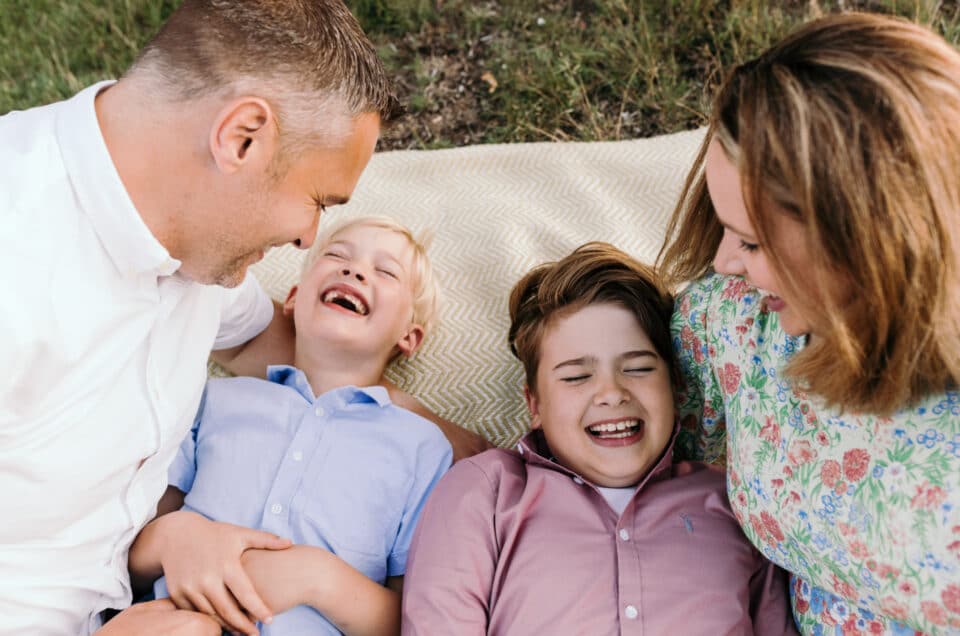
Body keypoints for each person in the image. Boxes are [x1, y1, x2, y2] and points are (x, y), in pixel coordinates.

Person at [0, 2, 486, 634]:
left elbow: (281, 346)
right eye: (317, 201)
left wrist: (440, 431)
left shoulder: (198, 238)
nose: (309, 239)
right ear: (242, 139)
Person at [657, 12, 960, 634]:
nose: (721, 264)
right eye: (728, 231)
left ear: (872, 248)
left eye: (754, 244)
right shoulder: (731, 325)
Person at [401, 242, 798, 634]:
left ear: (676, 387)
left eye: (639, 368)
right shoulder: (486, 491)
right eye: (576, 376)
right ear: (534, 403)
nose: (611, 392)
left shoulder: (737, 501)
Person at [129, 216, 452, 635]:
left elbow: (415, 621)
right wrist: (178, 536)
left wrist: (318, 578)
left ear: (409, 337)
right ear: (294, 298)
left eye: (386, 271)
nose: (353, 270)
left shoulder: (423, 449)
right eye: (336, 255)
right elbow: (129, 558)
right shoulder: (215, 399)